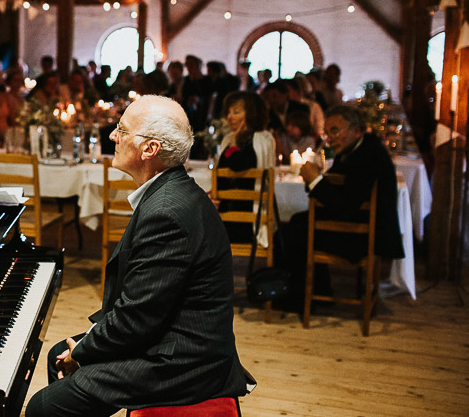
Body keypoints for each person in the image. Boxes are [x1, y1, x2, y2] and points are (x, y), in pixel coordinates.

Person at [26, 95, 248, 416]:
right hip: (169, 337)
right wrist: (88, 345)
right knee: (60, 354)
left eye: (122, 130)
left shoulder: (167, 212)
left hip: (182, 363)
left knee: (44, 406)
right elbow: (142, 308)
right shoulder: (172, 190)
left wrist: (86, 350)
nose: (113, 136)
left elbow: (137, 318)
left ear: (149, 149)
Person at [276, 105, 404, 308]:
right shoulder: (359, 147)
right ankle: (318, 289)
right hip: (356, 225)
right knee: (297, 221)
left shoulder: (366, 155)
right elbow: (336, 191)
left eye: (335, 131)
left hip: (362, 235)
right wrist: (317, 180)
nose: (329, 138)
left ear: (356, 130)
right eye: (327, 133)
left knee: (287, 234)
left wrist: (315, 181)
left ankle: (297, 298)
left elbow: (345, 206)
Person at [214, 91, 274, 243]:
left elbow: (238, 165)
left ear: (251, 114)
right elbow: (222, 175)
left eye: (236, 112)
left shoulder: (261, 140)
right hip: (228, 216)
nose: (229, 117)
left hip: (248, 221)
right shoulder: (230, 139)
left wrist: (233, 145)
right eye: (228, 112)